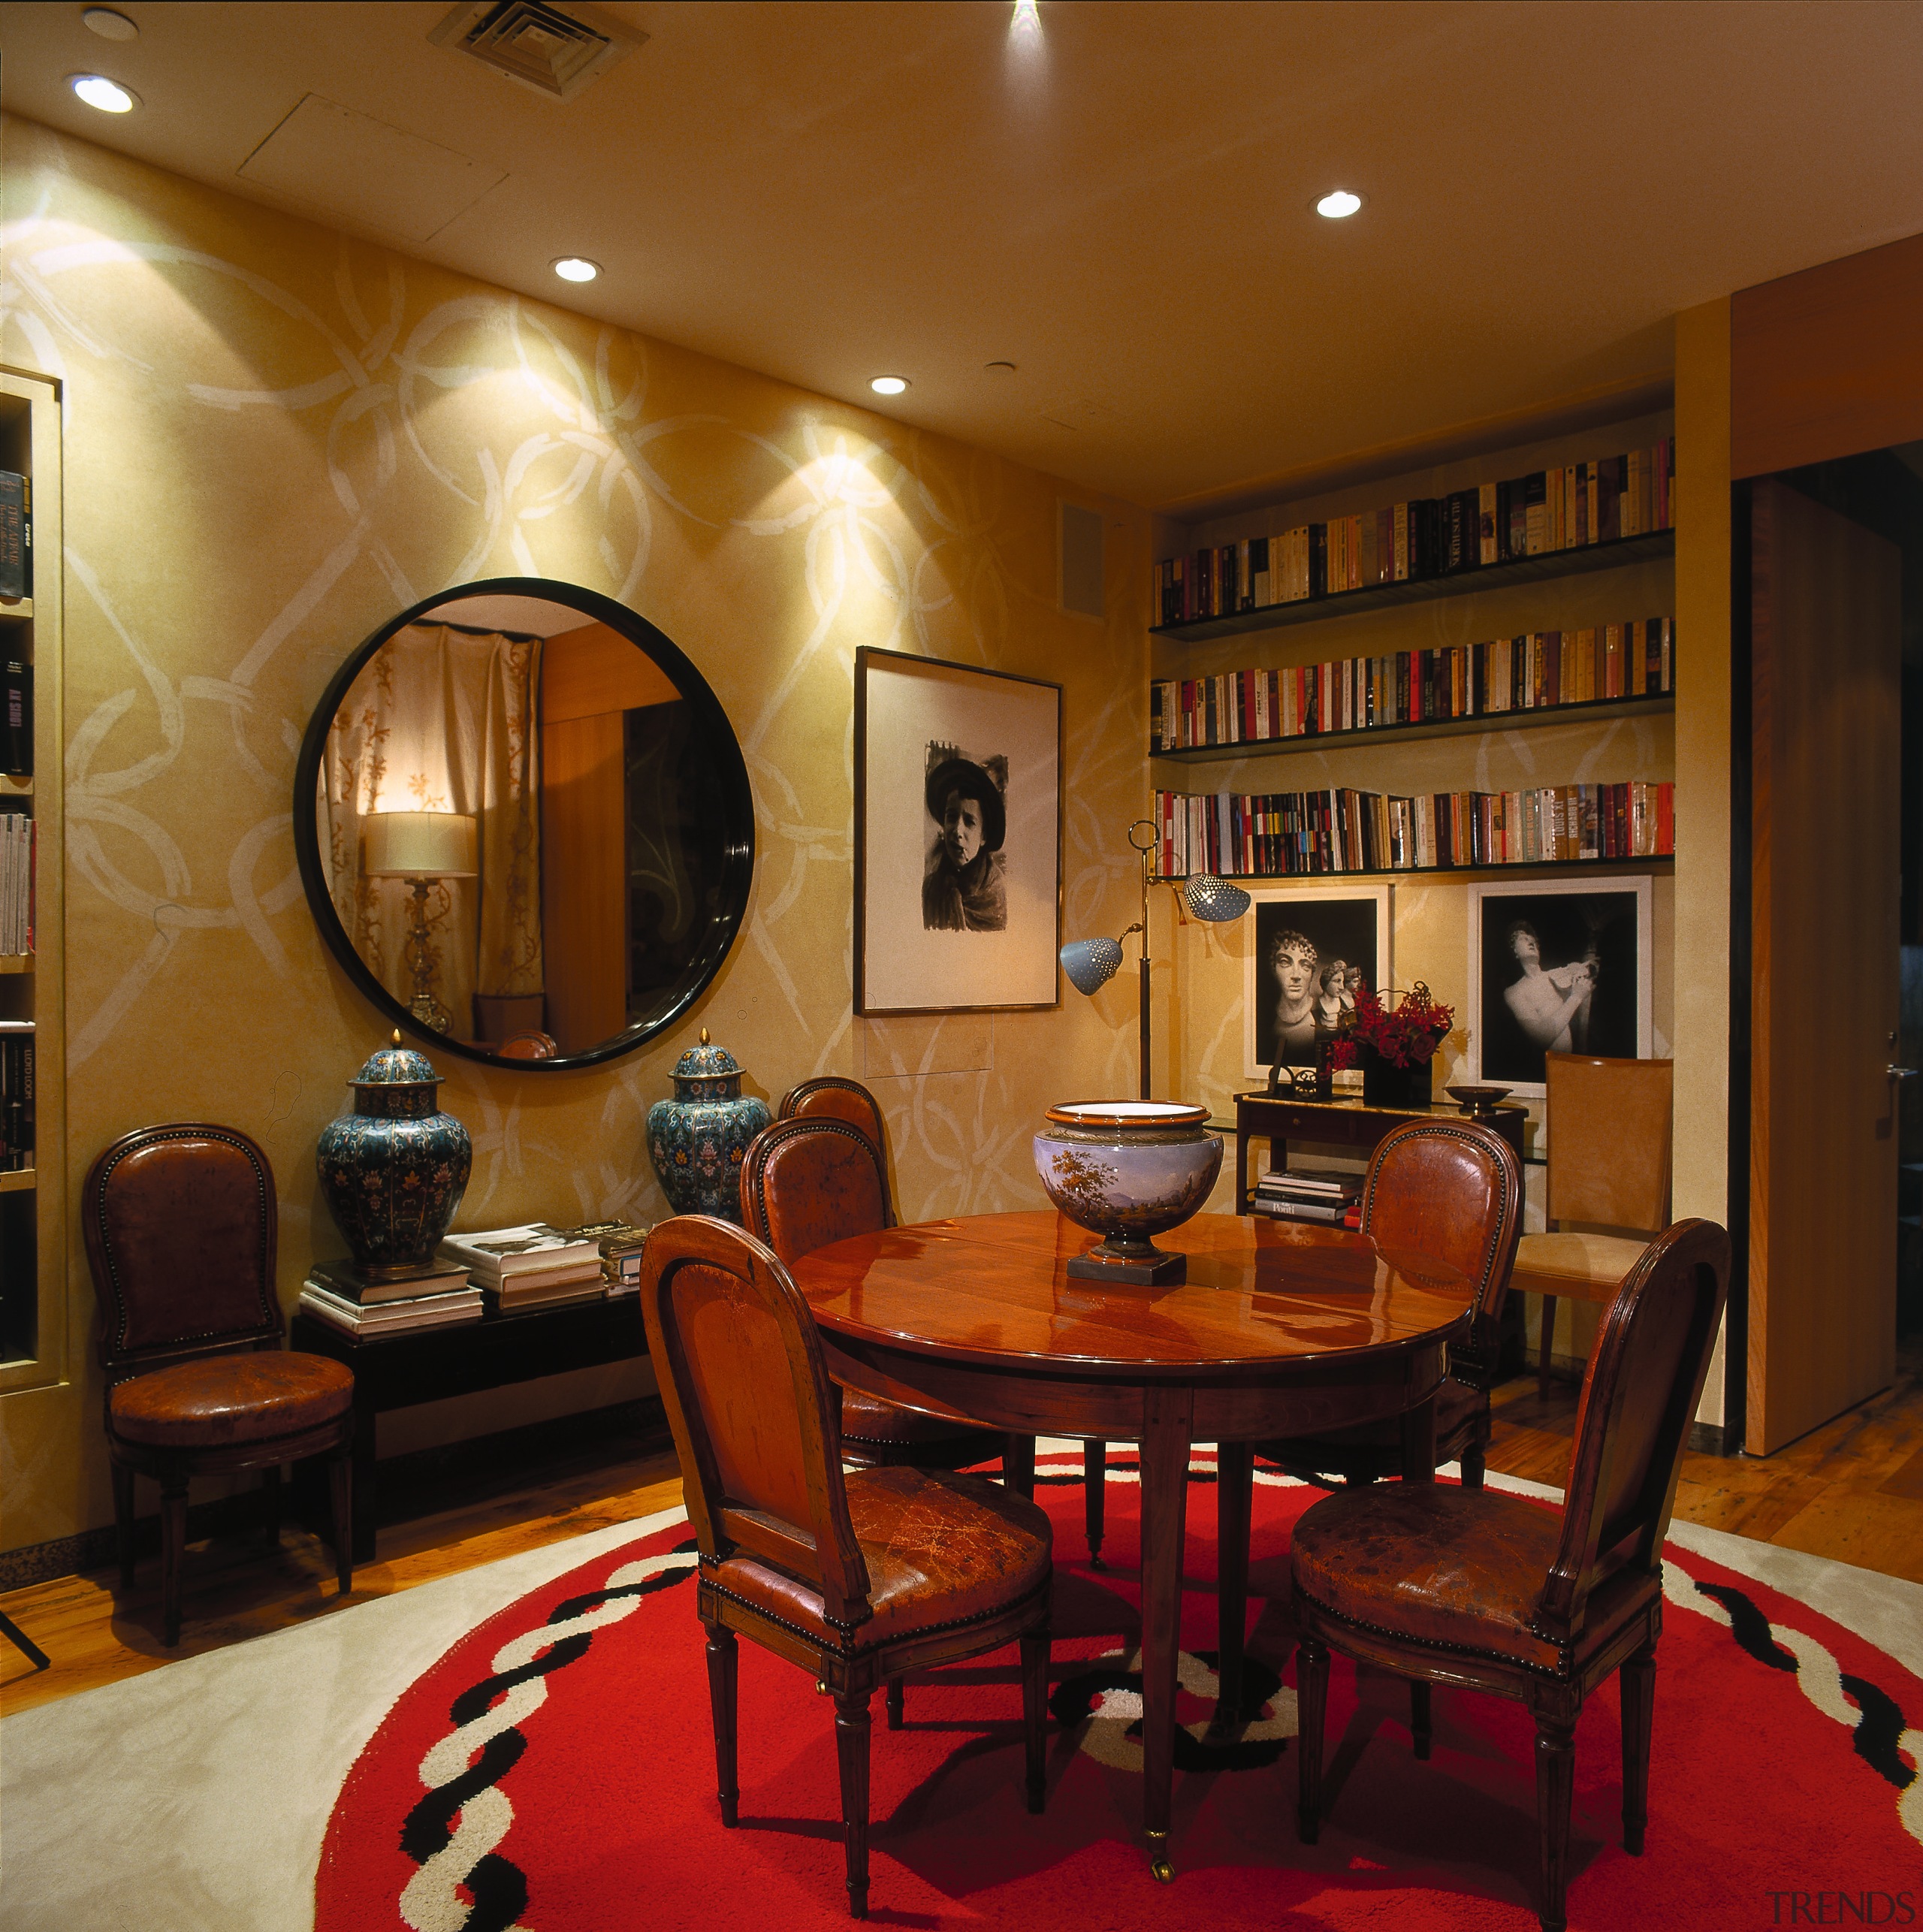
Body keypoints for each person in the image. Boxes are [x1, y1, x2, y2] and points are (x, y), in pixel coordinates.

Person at [921, 754, 1008, 932]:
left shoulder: (995, 893)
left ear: (983, 836)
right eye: (951, 817)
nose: (957, 831)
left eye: (969, 821)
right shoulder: (931, 889)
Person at [1502, 919, 1597, 1054]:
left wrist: (1585, 969)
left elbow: (1591, 968)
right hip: (1544, 1067)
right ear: (1515, 950)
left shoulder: (1555, 974)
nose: (1531, 942)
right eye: (1524, 939)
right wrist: (1576, 997)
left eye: (1533, 940)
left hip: (1570, 1060)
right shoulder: (1514, 992)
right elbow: (1542, 1038)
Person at [1267, 928, 1320, 1064]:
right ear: (1274, 969)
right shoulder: (1269, 1024)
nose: (1296, 975)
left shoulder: (1318, 1024)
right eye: (1285, 963)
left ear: (1312, 974)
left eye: (1305, 966)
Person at [1313, 959, 1348, 1031]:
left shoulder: (1341, 1003)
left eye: (1342, 982)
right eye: (1337, 981)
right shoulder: (1318, 1006)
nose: (1342, 987)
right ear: (1326, 982)